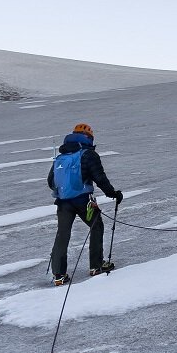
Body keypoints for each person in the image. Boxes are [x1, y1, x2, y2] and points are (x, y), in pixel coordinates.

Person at [47, 123, 123, 286]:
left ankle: (59, 275)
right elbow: (99, 178)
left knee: (62, 234)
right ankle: (96, 266)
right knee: (96, 226)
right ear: (89, 137)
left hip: (62, 202)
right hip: (83, 200)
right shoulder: (88, 154)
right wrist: (113, 194)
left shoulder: (61, 156)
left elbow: (50, 181)